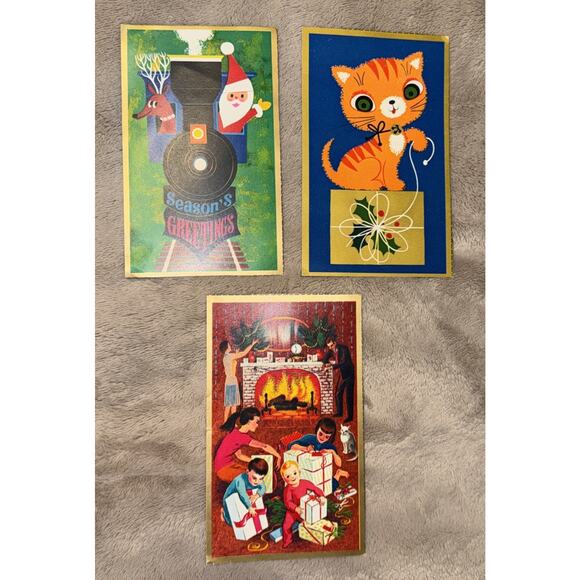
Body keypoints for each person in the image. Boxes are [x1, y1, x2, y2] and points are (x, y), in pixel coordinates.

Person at [215, 406, 281, 483]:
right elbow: (264, 446)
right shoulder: (242, 437)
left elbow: (239, 456)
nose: (257, 425)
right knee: (255, 477)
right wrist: (278, 456)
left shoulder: (236, 432)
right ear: (249, 421)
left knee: (253, 473)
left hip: (227, 465)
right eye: (256, 421)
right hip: (223, 469)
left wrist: (254, 461)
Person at [287, 417, 349, 491]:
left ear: (330, 437)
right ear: (317, 429)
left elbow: (339, 464)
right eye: (320, 434)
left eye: (327, 437)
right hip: (306, 469)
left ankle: (338, 474)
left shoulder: (330, 446)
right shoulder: (309, 438)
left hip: (321, 472)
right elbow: (291, 446)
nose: (322, 438)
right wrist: (305, 448)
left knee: (330, 488)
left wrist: (333, 452)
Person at [280, 460, 325, 548]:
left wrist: (321, 496)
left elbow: (315, 489)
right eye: (288, 476)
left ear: (299, 473)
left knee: (311, 521)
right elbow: (288, 502)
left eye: (294, 473)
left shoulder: (305, 483)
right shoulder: (287, 489)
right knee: (286, 526)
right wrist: (295, 508)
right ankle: (287, 540)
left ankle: (313, 536)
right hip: (293, 512)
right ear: (284, 479)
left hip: (304, 508)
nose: (292, 477)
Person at [221, 457, 269, 527]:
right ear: (247, 472)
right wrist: (249, 507)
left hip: (244, 498)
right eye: (254, 478)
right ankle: (223, 513)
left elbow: (263, 488)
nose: (257, 481)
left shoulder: (258, 481)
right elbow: (243, 494)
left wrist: (256, 495)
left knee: (244, 515)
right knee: (231, 522)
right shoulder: (240, 480)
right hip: (229, 498)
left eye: (261, 478)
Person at [220, 338, 257, 424]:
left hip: (230, 381)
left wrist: (236, 354)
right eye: (229, 345)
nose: (230, 346)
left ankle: (230, 423)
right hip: (231, 382)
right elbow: (243, 353)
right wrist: (252, 344)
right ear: (226, 347)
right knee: (230, 405)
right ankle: (226, 423)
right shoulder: (230, 356)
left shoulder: (226, 357)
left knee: (233, 405)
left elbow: (232, 365)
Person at [323, 337, 355, 423]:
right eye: (329, 346)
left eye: (331, 345)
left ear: (335, 343)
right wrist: (325, 364)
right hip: (342, 374)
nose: (330, 348)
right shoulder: (331, 350)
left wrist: (332, 366)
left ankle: (350, 417)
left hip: (349, 373)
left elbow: (343, 362)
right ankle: (339, 412)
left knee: (349, 396)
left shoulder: (343, 349)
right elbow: (325, 358)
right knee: (338, 393)